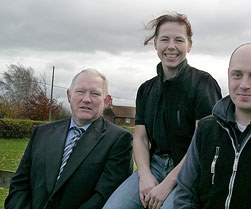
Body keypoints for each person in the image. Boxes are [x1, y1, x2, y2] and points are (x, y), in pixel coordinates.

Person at [103, 12, 222, 209]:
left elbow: (203, 143)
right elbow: (140, 138)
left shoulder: (203, 83)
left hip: (190, 169)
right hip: (155, 166)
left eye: (179, 40)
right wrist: (144, 175)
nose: (171, 46)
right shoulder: (146, 89)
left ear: (189, 45)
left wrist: (167, 184)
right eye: (164, 39)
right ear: (156, 44)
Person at [174, 43, 251, 209]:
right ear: (228, 75)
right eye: (237, 75)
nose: (244, 84)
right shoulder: (206, 129)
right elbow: (186, 194)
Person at [5, 69, 133, 209]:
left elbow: (105, 196)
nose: (86, 99)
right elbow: (19, 184)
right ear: (69, 95)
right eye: (80, 91)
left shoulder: (119, 140)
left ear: (106, 101)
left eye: (95, 93)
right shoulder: (42, 133)